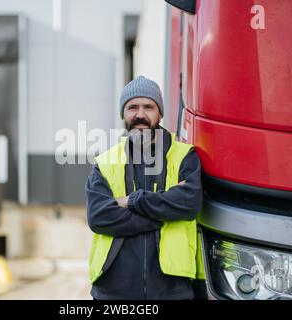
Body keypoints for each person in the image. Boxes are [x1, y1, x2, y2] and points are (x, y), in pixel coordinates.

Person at [85, 75, 206, 300]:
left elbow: (188, 204)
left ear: (160, 113)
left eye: (148, 107)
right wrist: (164, 214)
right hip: (113, 290)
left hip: (173, 289)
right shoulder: (105, 162)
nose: (140, 115)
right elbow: (99, 217)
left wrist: (131, 201)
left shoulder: (184, 157)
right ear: (123, 114)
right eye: (132, 107)